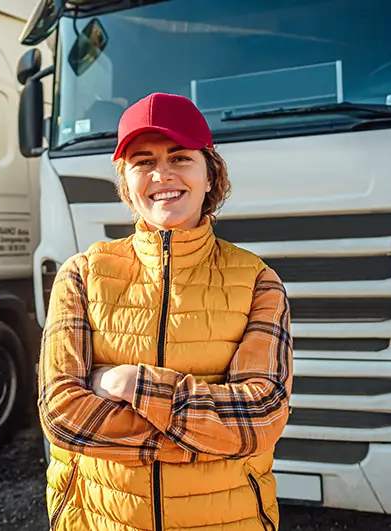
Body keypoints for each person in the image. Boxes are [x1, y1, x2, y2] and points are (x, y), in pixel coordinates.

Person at [38, 92, 292, 531]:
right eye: (142, 161)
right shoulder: (81, 275)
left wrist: (131, 383)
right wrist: (210, 435)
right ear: (126, 182)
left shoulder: (257, 281)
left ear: (211, 174)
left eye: (180, 158)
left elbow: (261, 416)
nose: (161, 175)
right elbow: (63, 417)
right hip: (102, 520)